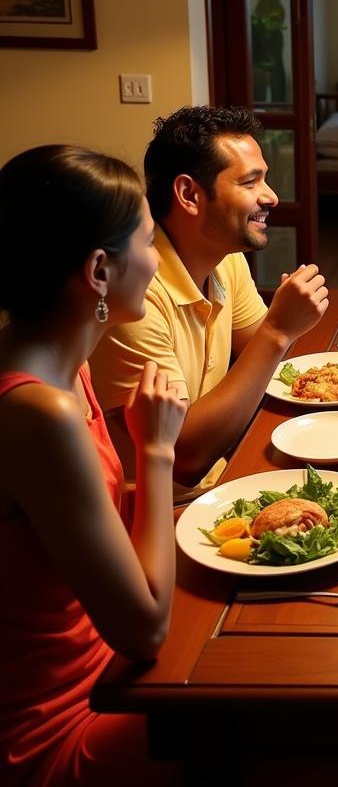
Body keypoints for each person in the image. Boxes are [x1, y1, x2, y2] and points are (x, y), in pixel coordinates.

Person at [0, 145, 186, 785]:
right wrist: (155, 449)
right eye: (149, 240)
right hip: (62, 721)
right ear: (100, 271)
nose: (158, 259)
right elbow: (147, 629)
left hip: (111, 669)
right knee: (298, 716)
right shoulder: (38, 411)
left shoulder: (67, 368)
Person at [90, 106, 329, 488]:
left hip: (224, 472)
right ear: (189, 194)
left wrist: (281, 331)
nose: (271, 197)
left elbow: (265, 364)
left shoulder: (225, 259)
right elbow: (185, 459)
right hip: (163, 510)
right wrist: (278, 331)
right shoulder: (133, 296)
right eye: (251, 183)